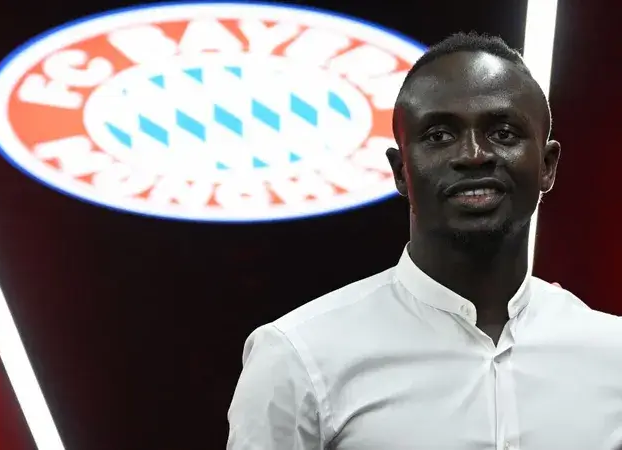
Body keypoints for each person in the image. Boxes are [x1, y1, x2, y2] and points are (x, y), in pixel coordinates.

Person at [227, 32, 622, 450]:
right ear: (401, 170)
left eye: (504, 133)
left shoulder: (611, 354)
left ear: (547, 165)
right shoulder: (298, 356)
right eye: (439, 135)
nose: (473, 155)